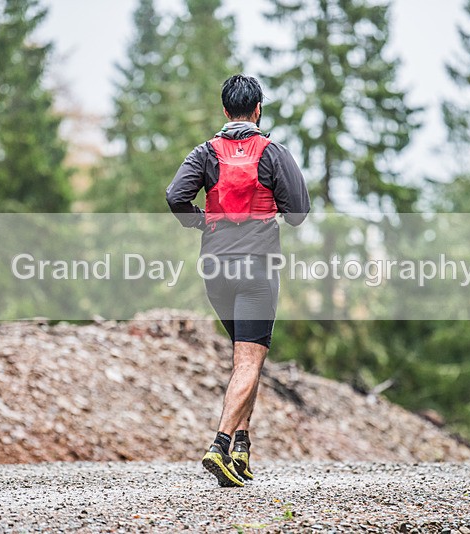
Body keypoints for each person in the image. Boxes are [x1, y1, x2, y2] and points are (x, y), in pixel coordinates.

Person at [166, 74, 310, 487]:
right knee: (250, 358)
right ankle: (220, 443)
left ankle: (243, 448)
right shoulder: (273, 152)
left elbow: (176, 195)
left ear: (226, 111)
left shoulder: (205, 152)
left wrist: (202, 223)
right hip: (258, 269)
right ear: (258, 109)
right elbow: (299, 212)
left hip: (215, 268)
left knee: (244, 356)